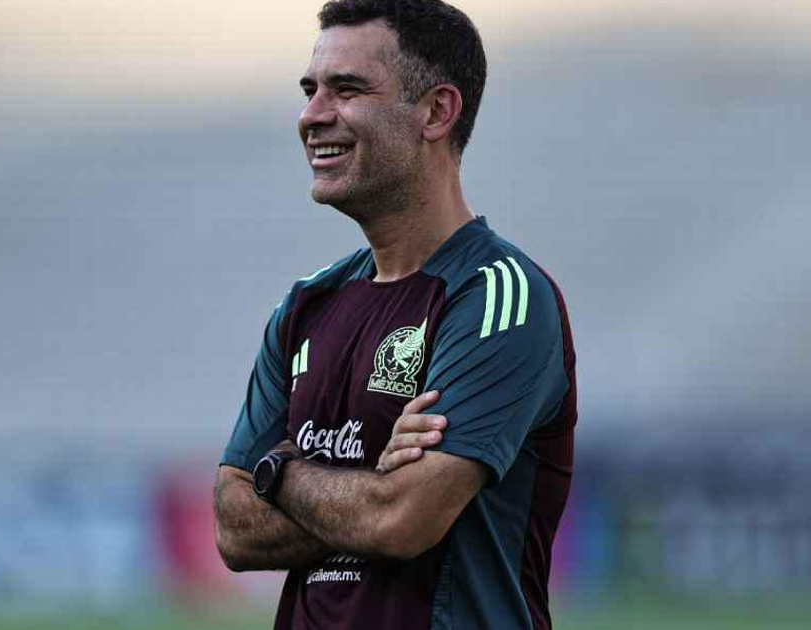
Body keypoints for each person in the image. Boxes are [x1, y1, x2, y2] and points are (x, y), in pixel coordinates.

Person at [213, 1, 577, 628]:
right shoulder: (306, 305)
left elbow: (401, 520)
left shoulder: (500, 297)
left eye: (347, 90)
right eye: (311, 90)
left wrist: (277, 470)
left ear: (437, 112)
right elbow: (232, 527)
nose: (311, 116)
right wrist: (368, 478)